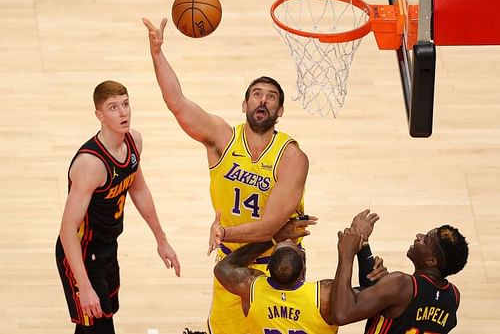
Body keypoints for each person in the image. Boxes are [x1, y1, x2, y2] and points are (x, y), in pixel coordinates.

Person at [143, 18, 309, 334]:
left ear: (280, 111)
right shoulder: (222, 137)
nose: (263, 100)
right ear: (245, 104)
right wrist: (157, 52)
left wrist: (222, 233)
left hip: (278, 266)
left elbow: (270, 227)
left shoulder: (291, 156)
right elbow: (176, 103)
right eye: (257, 94)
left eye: (271, 96)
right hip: (231, 267)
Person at [55, 80, 180, 334]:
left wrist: (161, 240)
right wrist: (85, 286)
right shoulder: (90, 165)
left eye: (125, 104)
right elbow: (67, 230)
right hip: (81, 254)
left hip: (107, 248)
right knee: (99, 326)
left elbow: (139, 189)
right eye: (113, 107)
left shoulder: (134, 141)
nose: (123, 112)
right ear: (99, 115)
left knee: (97, 322)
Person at [213, 210, 386, 334]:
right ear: (303, 268)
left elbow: (223, 267)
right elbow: (374, 296)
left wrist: (273, 238)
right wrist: (361, 245)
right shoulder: (324, 296)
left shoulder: (251, 289)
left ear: (266, 268)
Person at [331, 211, 469, 334]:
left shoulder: (401, 284)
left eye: (426, 239)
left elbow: (342, 314)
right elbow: (385, 303)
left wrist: (346, 255)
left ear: (431, 261)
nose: (419, 236)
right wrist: (363, 242)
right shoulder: (453, 297)